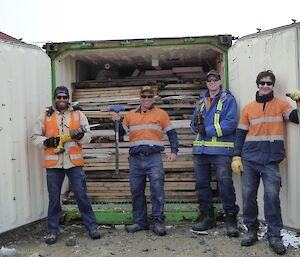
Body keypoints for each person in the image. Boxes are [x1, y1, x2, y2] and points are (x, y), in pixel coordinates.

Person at [231, 70, 300, 255]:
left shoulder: (281, 105)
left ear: (272, 86)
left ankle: (274, 236)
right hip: (250, 159)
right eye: (262, 82)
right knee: (248, 197)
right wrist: (236, 156)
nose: (265, 86)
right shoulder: (248, 108)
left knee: (271, 198)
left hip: (270, 161)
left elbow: (297, 118)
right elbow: (240, 134)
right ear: (257, 84)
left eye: (269, 83)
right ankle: (251, 230)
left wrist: (299, 102)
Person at [31, 86, 100, 244]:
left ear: (68, 98)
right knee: (54, 199)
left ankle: (92, 227)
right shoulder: (45, 116)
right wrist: (47, 142)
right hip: (53, 164)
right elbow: (34, 137)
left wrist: (81, 136)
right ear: (55, 98)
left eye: (64, 97)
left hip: (74, 163)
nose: (61, 100)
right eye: (59, 97)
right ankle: (52, 231)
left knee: (81, 196)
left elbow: (88, 137)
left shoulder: (78, 114)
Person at [111, 85, 178, 236]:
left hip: (154, 158)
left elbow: (172, 134)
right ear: (139, 98)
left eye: (149, 96)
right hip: (135, 159)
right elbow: (120, 132)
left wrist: (174, 151)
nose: (146, 99)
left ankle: (157, 222)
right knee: (136, 191)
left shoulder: (161, 114)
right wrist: (116, 121)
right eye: (143, 96)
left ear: (153, 98)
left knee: (157, 190)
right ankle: (140, 222)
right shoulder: (130, 115)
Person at [190, 69, 239, 237]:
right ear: (206, 84)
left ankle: (231, 220)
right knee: (201, 184)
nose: (212, 83)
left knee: (225, 184)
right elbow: (193, 123)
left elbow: (230, 123)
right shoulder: (201, 102)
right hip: (201, 150)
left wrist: (207, 130)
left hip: (221, 150)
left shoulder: (228, 100)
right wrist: (196, 127)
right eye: (209, 81)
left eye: (215, 80)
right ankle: (207, 217)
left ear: (220, 82)